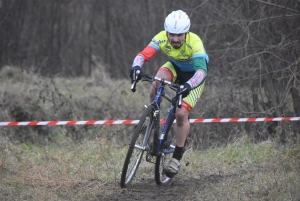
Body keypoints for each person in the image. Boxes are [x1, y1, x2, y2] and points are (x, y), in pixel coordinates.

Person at [129, 10, 209, 177]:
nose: (175, 39)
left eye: (179, 35)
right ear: (166, 32)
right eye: (172, 34)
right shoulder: (161, 37)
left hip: (194, 76)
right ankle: (151, 116)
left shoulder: (195, 42)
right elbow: (143, 55)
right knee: (156, 83)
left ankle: (177, 158)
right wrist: (136, 67)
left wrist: (188, 85)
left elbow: (202, 71)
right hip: (174, 67)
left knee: (180, 114)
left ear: (186, 33)